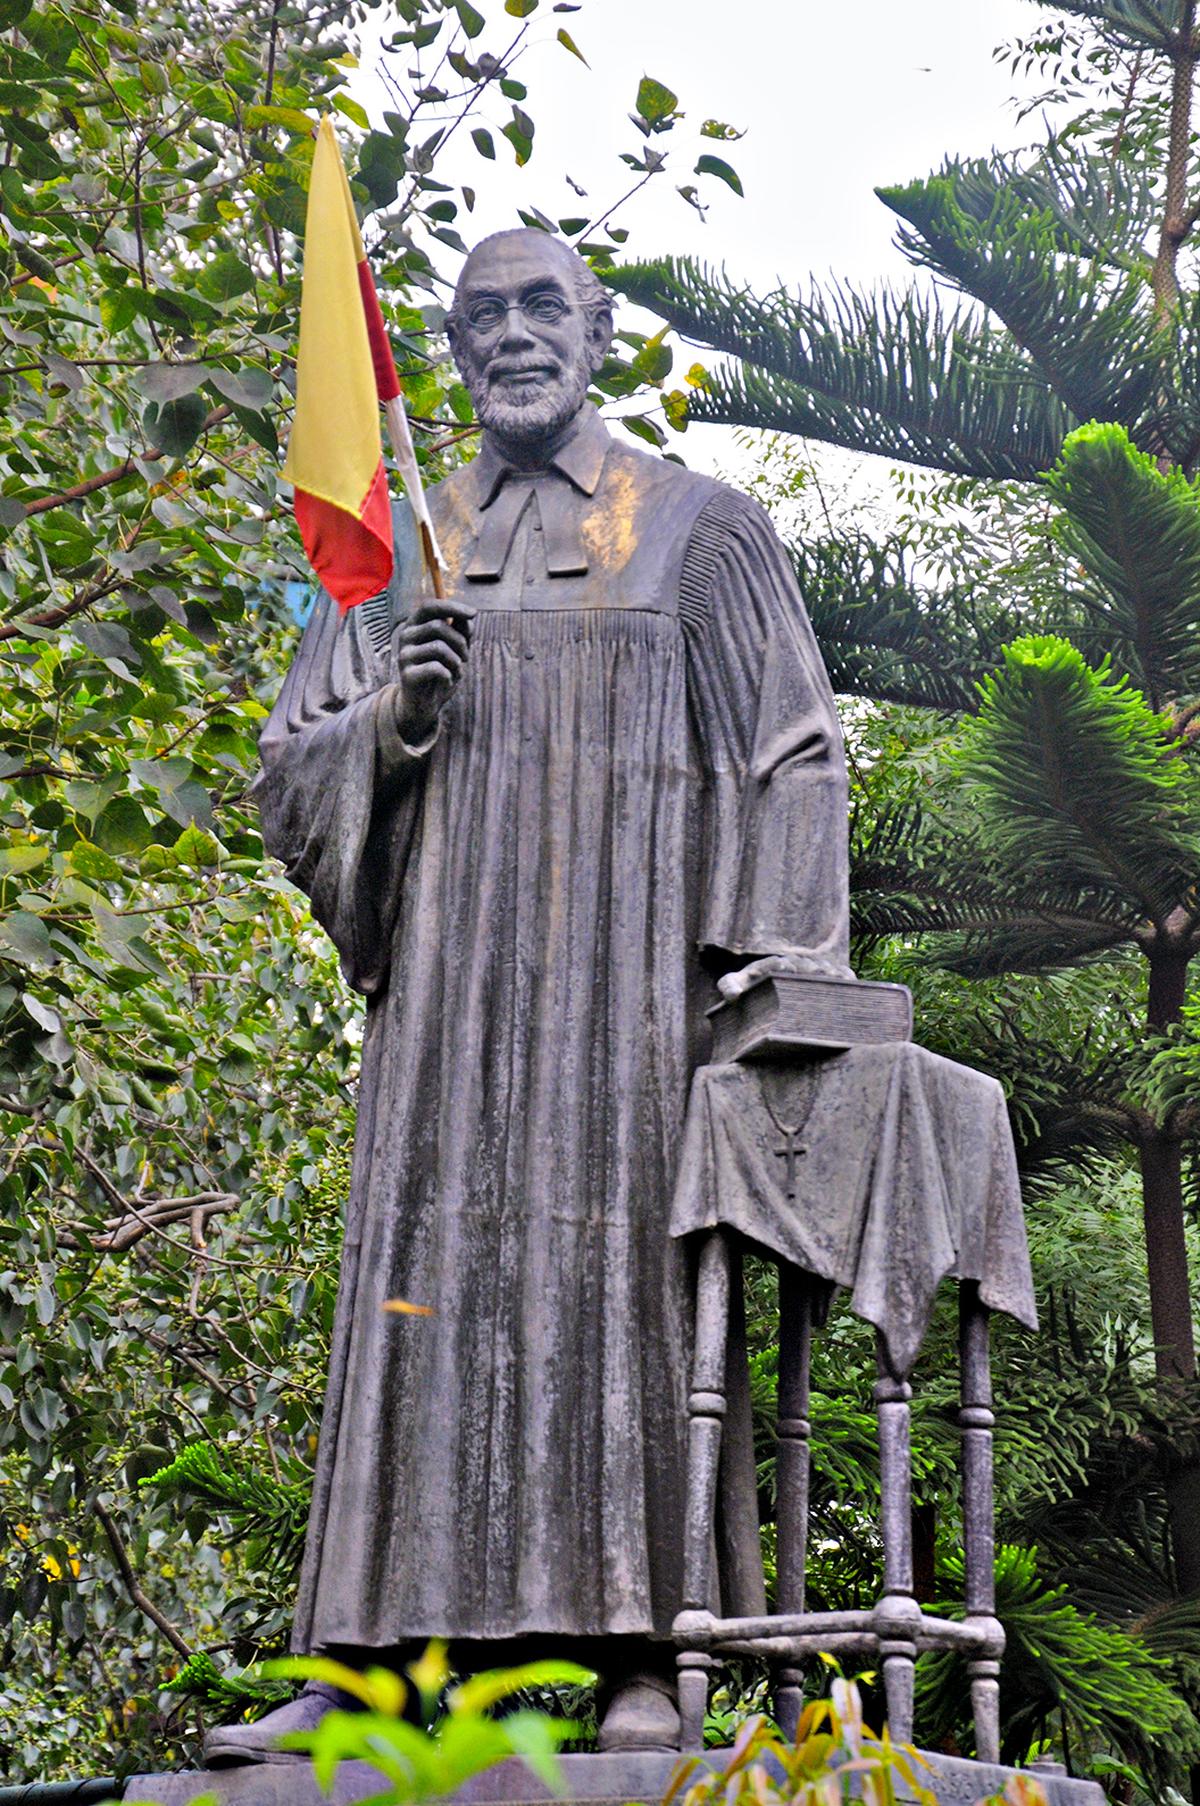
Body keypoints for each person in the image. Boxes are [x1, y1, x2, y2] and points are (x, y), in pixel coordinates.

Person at [205, 229, 849, 1764]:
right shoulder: (400, 552)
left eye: (541, 305)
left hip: (629, 1016)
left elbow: (797, 753)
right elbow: (289, 769)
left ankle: (638, 1654)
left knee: (623, 1303)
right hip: (444, 1020)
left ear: (598, 328)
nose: (512, 336)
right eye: (482, 313)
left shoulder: (695, 529)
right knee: (421, 1297)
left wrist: (767, 978)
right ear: (450, 343)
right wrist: (397, 721)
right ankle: (368, 1666)